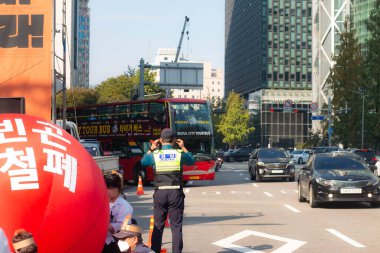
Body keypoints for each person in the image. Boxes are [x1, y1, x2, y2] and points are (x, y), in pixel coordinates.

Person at [141, 128, 195, 253]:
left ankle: (155, 251)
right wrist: (183, 147)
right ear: (175, 140)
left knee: (158, 226)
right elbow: (191, 161)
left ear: (160, 140)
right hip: (175, 193)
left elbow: (143, 162)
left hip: (160, 193)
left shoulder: (155, 155)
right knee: (176, 226)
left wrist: (152, 148)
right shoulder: (178, 153)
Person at [102, 174, 134, 253]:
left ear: (117, 190)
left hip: (114, 242)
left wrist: (107, 226)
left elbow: (122, 227)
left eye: (112, 198)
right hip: (99, 239)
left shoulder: (124, 206)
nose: (109, 199)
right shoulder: (101, 200)